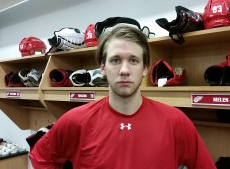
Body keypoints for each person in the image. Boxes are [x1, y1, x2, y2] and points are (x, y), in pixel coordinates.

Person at [29, 25, 216, 169]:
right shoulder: (75, 120)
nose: (124, 70)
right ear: (102, 67)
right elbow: (40, 157)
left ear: (144, 68)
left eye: (133, 60)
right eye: (116, 60)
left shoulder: (176, 122)